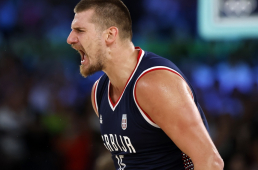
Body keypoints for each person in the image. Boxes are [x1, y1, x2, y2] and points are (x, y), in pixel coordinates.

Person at [66, 0, 224, 169]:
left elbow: (210, 161)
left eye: (80, 30)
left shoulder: (154, 83)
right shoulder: (99, 91)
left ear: (110, 35)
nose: (70, 39)